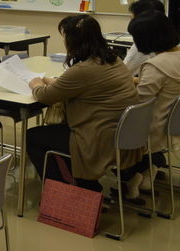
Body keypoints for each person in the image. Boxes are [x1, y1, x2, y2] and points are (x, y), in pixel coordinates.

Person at [27, 15, 140, 193]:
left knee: (33, 137)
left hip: (97, 141)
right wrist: (55, 82)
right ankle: (86, 185)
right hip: (122, 136)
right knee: (56, 133)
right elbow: (75, 86)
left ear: (73, 41)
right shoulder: (113, 60)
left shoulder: (83, 70)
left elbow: (45, 96)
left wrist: (36, 84)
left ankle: (65, 193)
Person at [126, 10, 180, 191]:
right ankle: (149, 167)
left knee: (96, 126)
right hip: (172, 125)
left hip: (152, 129)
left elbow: (139, 102)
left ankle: (130, 174)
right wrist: (135, 80)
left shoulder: (155, 65)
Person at [123, 0, 165, 76]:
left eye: (133, 15)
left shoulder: (143, 42)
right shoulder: (168, 39)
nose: (131, 18)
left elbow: (124, 73)